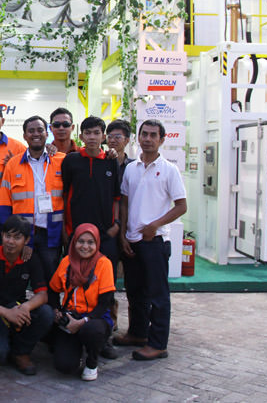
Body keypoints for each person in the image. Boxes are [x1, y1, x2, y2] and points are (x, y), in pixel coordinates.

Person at [115, 119, 187, 361]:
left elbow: (181, 206)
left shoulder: (169, 170)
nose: (147, 139)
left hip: (155, 241)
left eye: (153, 135)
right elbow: (125, 203)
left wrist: (155, 225)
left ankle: (158, 344)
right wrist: (124, 234)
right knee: (135, 293)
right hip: (132, 240)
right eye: (144, 134)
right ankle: (137, 334)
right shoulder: (131, 169)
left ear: (162, 139)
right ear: (138, 137)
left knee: (158, 295)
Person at [61, 115, 121, 359]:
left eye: (97, 133)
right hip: (77, 237)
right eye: (88, 133)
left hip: (105, 236)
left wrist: (116, 225)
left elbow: (116, 197)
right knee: (75, 282)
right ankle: (71, 328)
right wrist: (67, 231)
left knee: (106, 289)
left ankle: (102, 336)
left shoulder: (111, 162)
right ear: (81, 136)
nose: (92, 137)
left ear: (103, 136)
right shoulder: (72, 160)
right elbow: (64, 196)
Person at [0, 215, 54, 375]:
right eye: (8, 236)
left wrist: (26, 307)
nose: (11, 242)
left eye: (17, 237)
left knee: (46, 313)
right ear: (1, 235)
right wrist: (7, 313)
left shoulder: (31, 259)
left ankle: (21, 352)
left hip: (18, 308)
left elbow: (42, 295)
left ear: (26, 240)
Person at [0, 115, 65, 282]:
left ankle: (50, 300)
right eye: (31, 131)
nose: (36, 134)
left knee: (51, 278)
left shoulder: (61, 161)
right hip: (22, 234)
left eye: (40, 130)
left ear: (47, 133)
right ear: (25, 136)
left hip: (51, 233)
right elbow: (5, 203)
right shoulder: (13, 165)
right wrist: (10, 235)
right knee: (18, 279)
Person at [49, 223, 116, 382]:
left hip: (94, 318)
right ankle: (75, 349)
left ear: (97, 243)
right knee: (64, 366)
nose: (85, 247)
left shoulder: (104, 264)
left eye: (90, 242)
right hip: (71, 316)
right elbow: (52, 290)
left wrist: (83, 321)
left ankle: (92, 362)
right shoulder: (66, 262)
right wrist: (56, 310)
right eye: (81, 241)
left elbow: (105, 303)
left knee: (92, 330)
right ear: (74, 242)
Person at [106, 118, 134, 185]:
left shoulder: (133, 166)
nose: (112, 140)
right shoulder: (101, 163)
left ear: (127, 140)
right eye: (109, 137)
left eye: (117, 137)